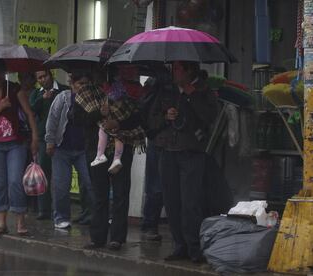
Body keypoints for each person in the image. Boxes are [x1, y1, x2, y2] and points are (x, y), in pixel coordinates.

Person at [152, 61, 217, 262]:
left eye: (178, 68)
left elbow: (209, 117)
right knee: (172, 201)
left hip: (191, 152)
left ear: (189, 70)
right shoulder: (166, 90)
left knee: (191, 202)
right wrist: (165, 116)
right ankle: (179, 245)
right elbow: (151, 119)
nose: (174, 71)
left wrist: (192, 95)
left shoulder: (203, 90)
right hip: (168, 151)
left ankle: (194, 248)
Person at [76, 67, 145, 251]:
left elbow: (138, 117)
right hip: (96, 150)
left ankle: (117, 238)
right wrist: (100, 113)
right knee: (99, 194)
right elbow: (77, 119)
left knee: (121, 193)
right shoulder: (85, 93)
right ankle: (97, 237)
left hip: (122, 145)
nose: (100, 75)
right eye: (98, 72)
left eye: (105, 72)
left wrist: (118, 123)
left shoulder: (126, 90)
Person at [0, 59, 39, 236]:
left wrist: (35, 137)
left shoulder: (15, 89)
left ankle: (20, 221)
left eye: (0, 72)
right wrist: (0, 107)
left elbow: (29, 114)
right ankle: (1, 223)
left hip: (16, 144)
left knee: (14, 181)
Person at [45, 71, 94, 230]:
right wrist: (50, 142)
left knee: (90, 183)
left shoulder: (92, 100)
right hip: (62, 149)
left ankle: (93, 215)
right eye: (80, 84)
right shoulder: (63, 98)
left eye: (86, 84)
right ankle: (61, 217)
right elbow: (52, 120)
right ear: (72, 84)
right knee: (61, 185)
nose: (83, 87)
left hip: (83, 150)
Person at [29, 69, 68, 220]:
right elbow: (31, 111)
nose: (42, 80)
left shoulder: (63, 90)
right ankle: (43, 209)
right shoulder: (36, 93)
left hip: (61, 139)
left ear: (51, 75)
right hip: (42, 138)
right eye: (39, 78)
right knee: (43, 174)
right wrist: (42, 99)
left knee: (60, 177)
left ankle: (61, 211)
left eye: (44, 76)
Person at [139, 67, 172, 241]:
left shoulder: (153, 84)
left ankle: (150, 224)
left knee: (157, 186)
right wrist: (166, 118)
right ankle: (150, 224)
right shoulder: (159, 85)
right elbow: (150, 118)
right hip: (159, 140)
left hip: (164, 141)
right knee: (156, 186)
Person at [90, 76, 146, 174]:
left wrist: (117, 122)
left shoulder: (117, 87)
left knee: (108, 131)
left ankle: (103, 155)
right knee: (115, 134)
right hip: (116, 127)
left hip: (120, 127)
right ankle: (112, 158)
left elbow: (138, 115)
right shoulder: (124, 86)